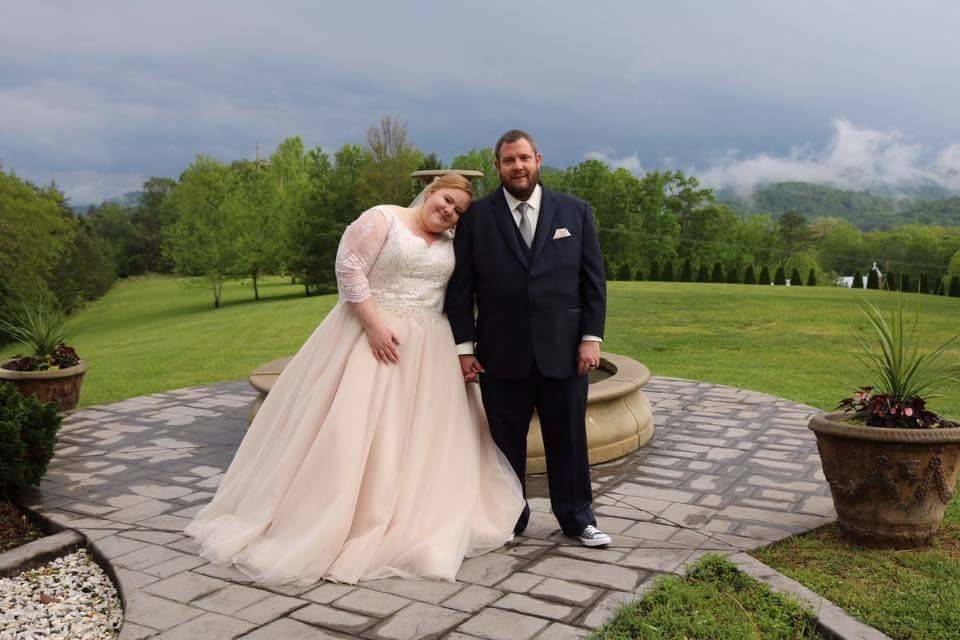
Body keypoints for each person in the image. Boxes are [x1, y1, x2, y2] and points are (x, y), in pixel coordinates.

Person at [185, 174, 525, 585]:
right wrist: (374, 327)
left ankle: (412, 513)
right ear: (432, 190)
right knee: (350, 429)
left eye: (457, 211)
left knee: (421, 436)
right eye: (447, 200)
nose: (449, 211)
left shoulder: (452, 246)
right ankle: (333, 518)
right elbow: (349, 269)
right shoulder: (384, 218)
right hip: (371, 336)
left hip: (430, 349)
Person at [445, 130, 611, 547]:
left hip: (565, 352)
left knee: (568, 439)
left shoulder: (575, 213)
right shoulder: (477, 219)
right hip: (501, 354)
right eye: (508, 161)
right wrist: (464, 349)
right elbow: (460, 291)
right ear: (497, 166)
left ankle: (578, 519)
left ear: (538, 159)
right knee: (504, 446)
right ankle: (508, 520)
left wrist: (591, 338)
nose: (517, 167)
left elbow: (593, 284)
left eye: (523, 158)